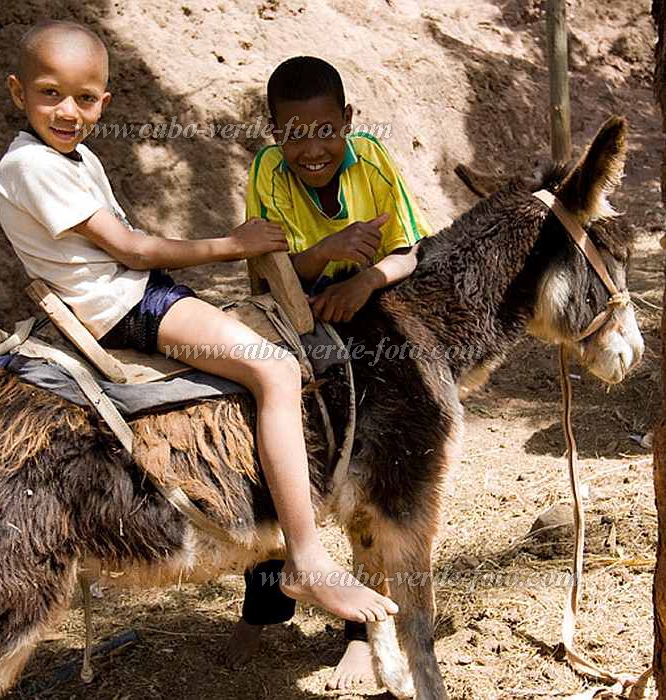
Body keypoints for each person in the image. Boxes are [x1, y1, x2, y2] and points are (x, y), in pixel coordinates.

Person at [0, 21, 399, 627]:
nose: (68, 110)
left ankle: (270, 553)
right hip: (126, 307)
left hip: (140, 293)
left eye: (84, 98)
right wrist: (233, 245)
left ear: (104, 103)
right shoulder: (33, 167)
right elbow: (130, 250)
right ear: (17, 93)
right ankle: (306, 557)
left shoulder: (69, 156)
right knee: (278, 371)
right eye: (50, 93)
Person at [228, 56, 432, 689]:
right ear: (272, 132)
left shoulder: (371, 161)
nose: (310, 148)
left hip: (368, 305)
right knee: (270, 436)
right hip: (292, 307)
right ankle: (266, 602)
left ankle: (360, 631)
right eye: (292, 134)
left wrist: (365, 278)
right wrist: (328, 253)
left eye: (325, 130)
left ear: (348, 120)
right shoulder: (266, 172)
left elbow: (410, 250)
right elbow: (270, 271)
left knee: (368, 463)